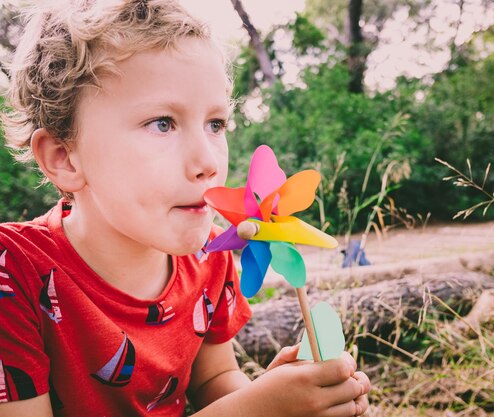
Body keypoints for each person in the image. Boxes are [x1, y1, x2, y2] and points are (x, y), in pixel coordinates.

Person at [0, 1, 370, 416]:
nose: (208, 162)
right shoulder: (13, 273)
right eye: (163, 122)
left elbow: (213, 380)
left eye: (216, 124)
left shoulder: (209, 255)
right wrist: (257, 410)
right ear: (65, 157)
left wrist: (277, 396)